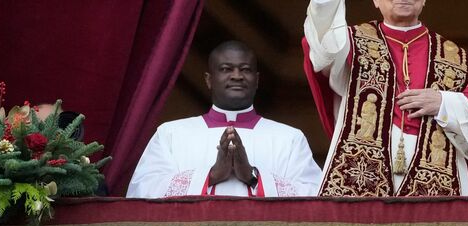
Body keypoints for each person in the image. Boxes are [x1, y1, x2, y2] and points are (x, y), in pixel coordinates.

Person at [303, 0, 468, 196]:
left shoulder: (458, 61)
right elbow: (323, 42)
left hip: (434, 172)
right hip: (361, 169)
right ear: (375, 1)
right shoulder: (349, 42)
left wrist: (443, 102)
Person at [127, 41, 322, 198]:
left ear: (257, 80)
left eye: (245, 69)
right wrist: (211, 176)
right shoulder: (170, 134)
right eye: (226, 69)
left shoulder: (290, 138)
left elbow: (315, 196)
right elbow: (142, 192)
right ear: (209, 80)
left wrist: (253, 176)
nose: (237, 76)